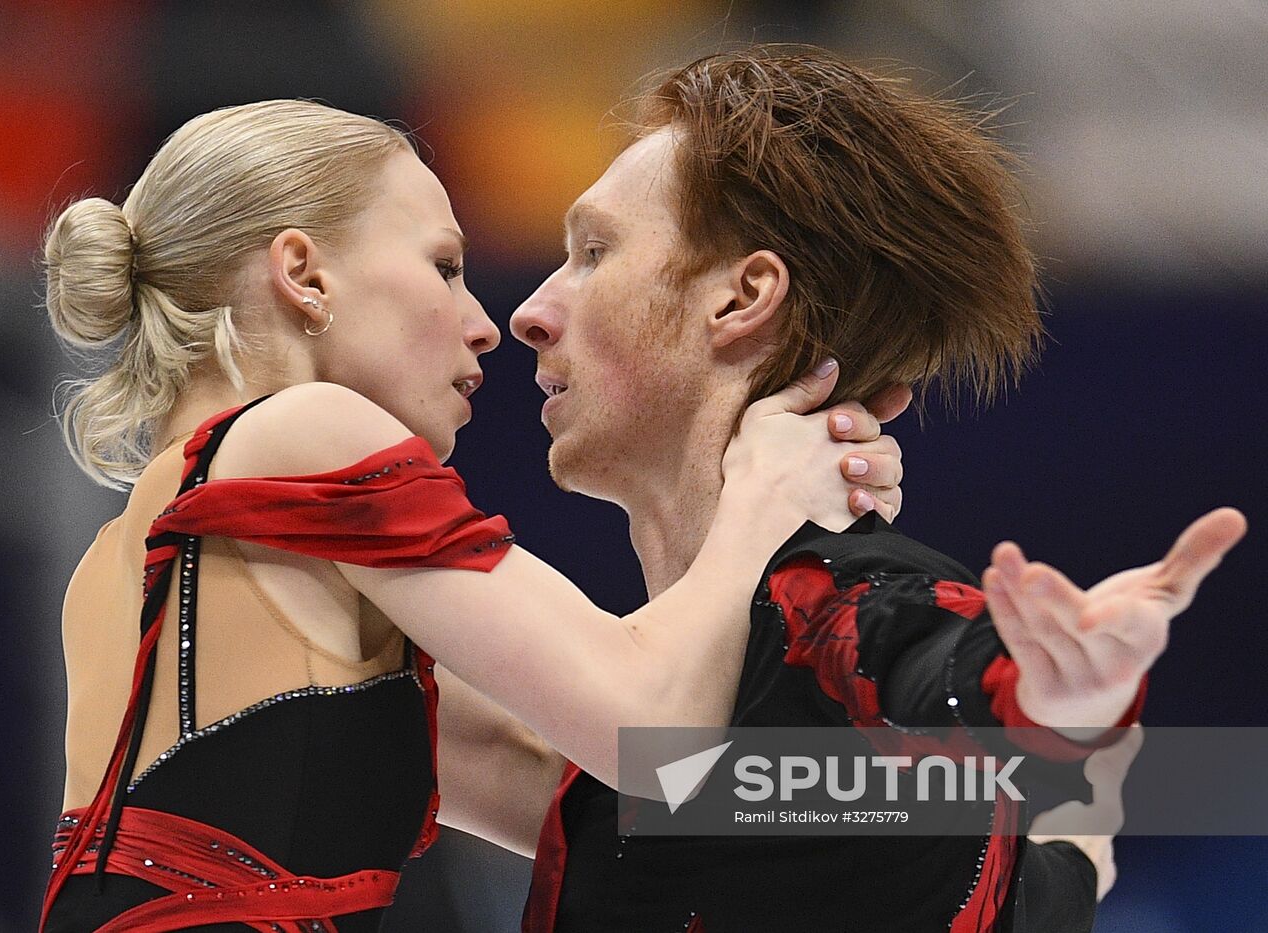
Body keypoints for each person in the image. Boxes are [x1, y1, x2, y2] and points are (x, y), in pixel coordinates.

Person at [36, 99, 909, 932]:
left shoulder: (143, 561)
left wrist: (1014, 785)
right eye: (444, 267)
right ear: (303, 275)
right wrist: (766, 492)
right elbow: (647, 728)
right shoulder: (302, 432)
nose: (488, 323)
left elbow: (608, 794)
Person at [490, 46, 1247, 932]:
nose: (531, 311)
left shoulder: (843, 609)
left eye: (593, 252)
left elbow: (926, 663)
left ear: (742, 298)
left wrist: (1051, 699)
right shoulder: (611, 712)